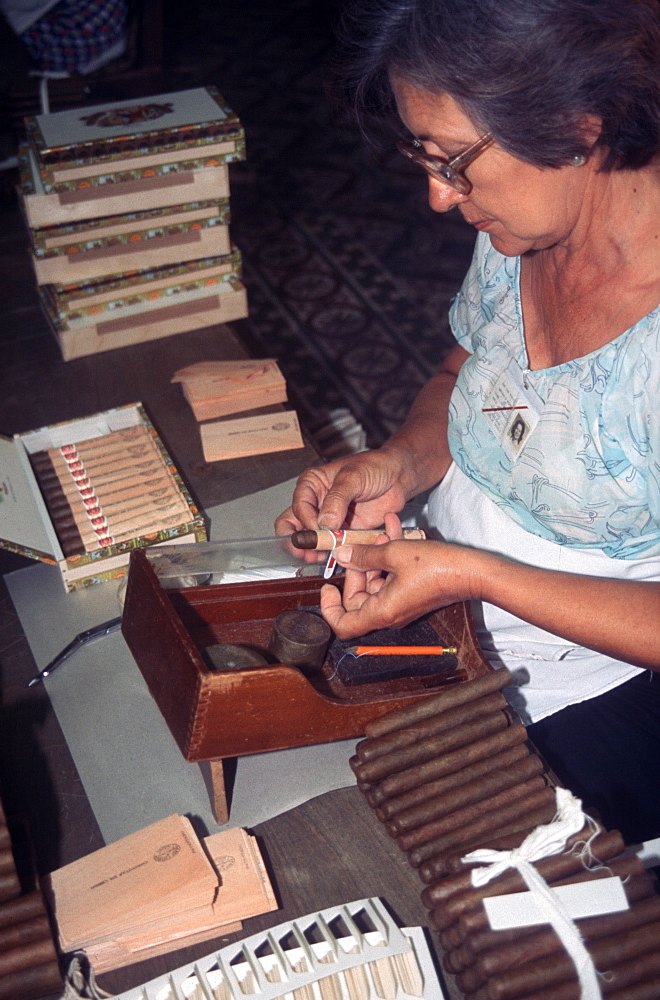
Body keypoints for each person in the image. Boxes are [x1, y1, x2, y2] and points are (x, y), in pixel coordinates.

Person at [276, 0, 660, 846]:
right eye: (424, 157)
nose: (438, 199)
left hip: (602, 672)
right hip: (450, 576)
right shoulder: (523, 225)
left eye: (453, 163)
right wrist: (403, 463)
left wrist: (477, 575)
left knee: (368, 840)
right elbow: (469, 371)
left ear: (577, 126)